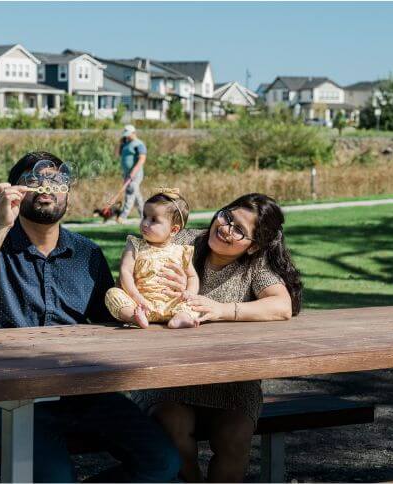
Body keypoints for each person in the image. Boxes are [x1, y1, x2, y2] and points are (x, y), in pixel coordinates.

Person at [0, 151, 180, 483]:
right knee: (55, 477)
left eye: (57, 181)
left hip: (85, 393)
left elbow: (116, 317)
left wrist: (163, 300)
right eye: (34, 180)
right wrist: (0, 226)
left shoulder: (87, 254)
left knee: (163, 461)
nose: (46, 188)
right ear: (14, 192)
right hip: (11, 397)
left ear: (68, 192)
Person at [132, 193, 303, 482]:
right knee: (171, 423)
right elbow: (134, 267)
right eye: (227, 216)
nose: (225, 228)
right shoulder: (181, 243)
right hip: (170, 378)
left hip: (232, 382)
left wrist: (221, 310)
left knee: (235, 436)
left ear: (254, 246)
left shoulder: (255, 267)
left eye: (239, 230)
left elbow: (281, 305)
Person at [105, 187, 199, 329]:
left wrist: (190, 293)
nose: (145, 223)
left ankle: (181, 317)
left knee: (196, 303)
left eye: (153, 220)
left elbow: (192, 277)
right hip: (141, 304)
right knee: (112, 294)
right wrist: (136, 297)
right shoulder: (135, 245)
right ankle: (134, 317)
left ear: (174, 230)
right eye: (144, 216)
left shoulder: (181, 251)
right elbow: (125, 272)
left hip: (173, 304)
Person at [116, 124, 147, 223]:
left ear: (134, 133)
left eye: (128, 134)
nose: (126, 136)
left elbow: (142, 159)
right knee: (136, 194)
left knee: (130, 192)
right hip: (126, 173)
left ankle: (123, 216)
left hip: (135, 173)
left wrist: (133, 172)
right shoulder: (126, 144)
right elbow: (119, 154)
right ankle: (144, 215)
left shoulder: (139, 144)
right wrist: (121, 143)